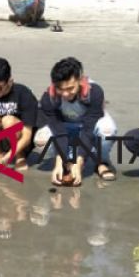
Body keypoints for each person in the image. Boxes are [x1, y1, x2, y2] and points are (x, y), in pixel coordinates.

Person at [36, 57, 117, 185]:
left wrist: (79, 162)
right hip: (66, 126)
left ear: (80, 80)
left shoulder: (94, 92)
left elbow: (88, 129)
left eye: (70, 88)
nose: (65, 94)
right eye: (60, 89)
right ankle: (66, 163)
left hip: (89, 125)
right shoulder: (48, 98)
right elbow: (58, 130)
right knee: (41, 140)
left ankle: (101, 162)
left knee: (107, 130)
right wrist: (59, 160)